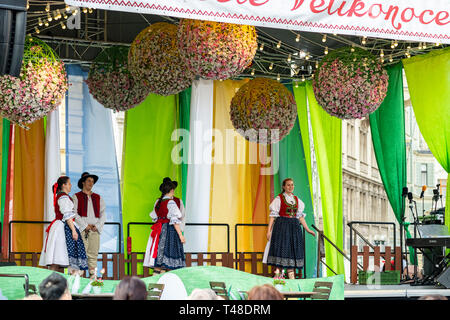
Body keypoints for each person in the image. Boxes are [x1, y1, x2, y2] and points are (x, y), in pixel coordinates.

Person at [265, 178, 316, 280]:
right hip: (282, 227)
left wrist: (307, 229)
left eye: (292, 185)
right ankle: (278, 277)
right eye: (288, 185)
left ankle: (291, 279)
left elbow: (300, 216)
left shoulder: (297, 200)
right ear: (284, 187)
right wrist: (269, 231)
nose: (290, 187)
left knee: (292, 251)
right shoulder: (279, 199)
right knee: (281, 250)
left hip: (294, 228)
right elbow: (272, 216)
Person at [39, 176, 88, 274]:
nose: (70, 185)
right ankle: (67, 282)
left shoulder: (61, 196)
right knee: (62, 257)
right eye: (69, 183)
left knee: (56, 260)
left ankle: (52, 282)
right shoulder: (63, 197)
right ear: (63, 185)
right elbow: (67, 215)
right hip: (63, 227)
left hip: (60, 227)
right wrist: (73, 230)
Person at [143, 177, 186, 272]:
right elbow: (175, 220)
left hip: (159, 230)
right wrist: (180, 235)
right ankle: (164, 283)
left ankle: (157, 284)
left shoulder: (158, 201)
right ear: (171, 190)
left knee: (160, 261)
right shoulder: (171, 202)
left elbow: (154, 217)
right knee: (167, 261)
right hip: (169, 232)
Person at [73, 172, 106, 278]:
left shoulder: (98, 197)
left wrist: (97, 226)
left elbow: (103, 214)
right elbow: (74, 213)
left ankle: (93, 277)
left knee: (93, 254)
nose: (91, 183)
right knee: (81, 254)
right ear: (83, 182)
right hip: (82, 230)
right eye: (88, 180)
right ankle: (78, 278)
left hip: (94, 230)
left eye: (92, 181)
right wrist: (84, 225)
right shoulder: (76, 196)